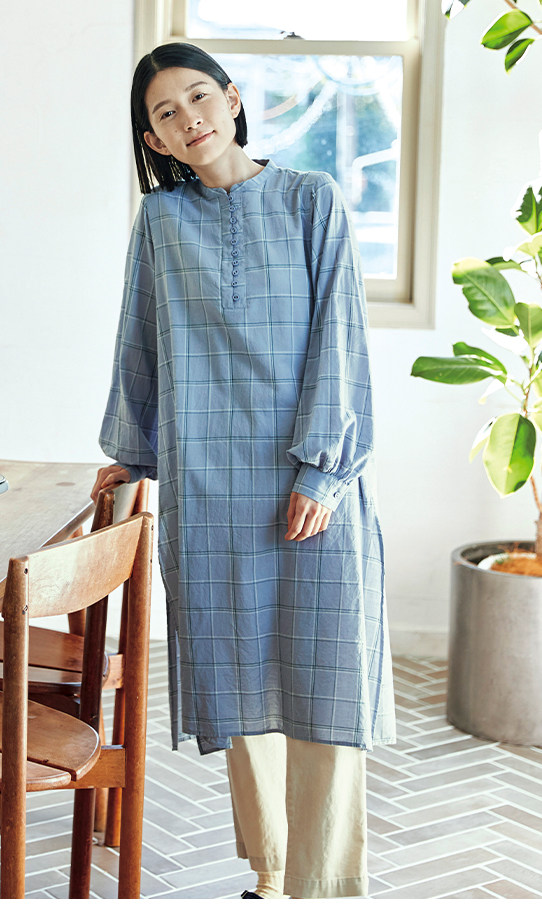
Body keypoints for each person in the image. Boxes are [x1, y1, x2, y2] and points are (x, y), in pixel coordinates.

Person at [91, 42, 395, 899]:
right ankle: (271, 873)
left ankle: (323, 883)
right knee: (242, 677)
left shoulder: (311, 198)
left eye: (198, 97)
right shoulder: (160, 222)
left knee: (324, 681)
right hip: (210, 489)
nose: (188, 118)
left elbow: (341, 339)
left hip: (307, 488)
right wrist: (131, 453)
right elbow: (140, 340)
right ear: (154, 140)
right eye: (166, 113)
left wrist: (322, 474)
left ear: (230, 99)